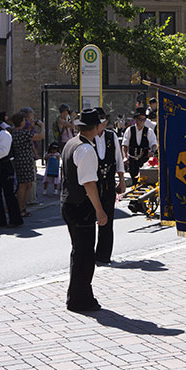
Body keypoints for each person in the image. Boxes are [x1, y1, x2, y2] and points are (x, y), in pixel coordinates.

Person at [60, 108, 108, 312]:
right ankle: (80, 298)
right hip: (81, 206)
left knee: (78, 252)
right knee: (85, 254)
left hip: (70, 203)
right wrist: (100, 210)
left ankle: (77, 295)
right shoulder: (86, 150)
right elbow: (89, 183)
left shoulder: (72, 143)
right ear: (96, 127)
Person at [93, 107, 126, 265]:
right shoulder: (88, 138)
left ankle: (103, 255)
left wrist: (122, 179)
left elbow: (118, 159)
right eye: (101, 121)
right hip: (92, 184)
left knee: (108, 219)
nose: (103, 123)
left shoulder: (110, 136)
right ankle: (89, 253)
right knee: (90, 219)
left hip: (108, 183)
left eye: (104, 121)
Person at [10, 112, 45, 218]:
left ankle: (22, 207)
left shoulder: (16, 132)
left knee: (27, 184)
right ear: (21, 122)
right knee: (23, 185)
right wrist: (42, 126)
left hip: (23, 160)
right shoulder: (22, 133)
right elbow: (40, 136)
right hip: (24, 160)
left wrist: (30, 127)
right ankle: (20, 209)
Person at [121, 107, 158, 182]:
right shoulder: (130, 130)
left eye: (144, 119)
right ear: (136, 119)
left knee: (145, 180)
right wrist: (125, 157)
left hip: (144, 160)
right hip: (132, 159)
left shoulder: (149, 131)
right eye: (140, 119)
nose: (142, 121)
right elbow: (125, 145)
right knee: (134, 178)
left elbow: (154, 144)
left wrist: (152, 151)